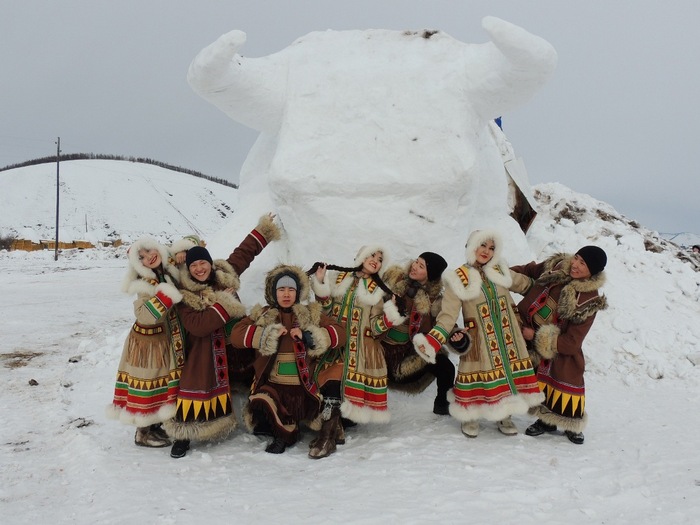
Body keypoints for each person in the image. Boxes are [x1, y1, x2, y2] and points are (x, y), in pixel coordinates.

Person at [164, 214, 281, 458]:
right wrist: (224, 304)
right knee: (193, 385)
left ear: (209, 263)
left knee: (262, 370)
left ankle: (262, 419)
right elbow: (198, 325)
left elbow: (243, 254)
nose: (199, 268)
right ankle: (184, 435)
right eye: (194, 265)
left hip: (238, 347)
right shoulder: (185, 294)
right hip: (207, 350)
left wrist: (263, 230)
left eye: (203, 263)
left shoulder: (223, 275)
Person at [414, 230, 543, 438]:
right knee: (476, 376)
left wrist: (555, 287)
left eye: (492, 248)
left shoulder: (500, 270)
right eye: (482, 245)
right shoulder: (458, 278)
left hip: (509, 339)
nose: (486, 251)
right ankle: (469, 415)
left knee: (508, 374)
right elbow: (447, 316)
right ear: (471, 246)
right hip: (480, 340)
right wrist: (433, 341)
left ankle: (505, 412)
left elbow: (529, 286)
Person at [230, 264, 346, 455]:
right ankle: (284, 432)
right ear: (273, 292)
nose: (286, 294)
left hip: (305, 388)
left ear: (298, 292)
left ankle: (324, 425)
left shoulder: (310, 313)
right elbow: (236, 335)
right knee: (263, 402)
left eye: (291, 289)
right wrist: (266, 334)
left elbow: (340, 333)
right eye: (281, 289)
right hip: (275, 387)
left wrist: (309, 336)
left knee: (334, 375)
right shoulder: (265, 314)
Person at [307, 245, 404, 458]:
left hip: (359, 349)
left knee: (335, 380)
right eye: (372, 255)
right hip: (334, 344)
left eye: (380, 259)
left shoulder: (378, 290)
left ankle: (327, 437)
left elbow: (374, 326)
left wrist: (390, 314)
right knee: (323, 381)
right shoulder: (341, 277)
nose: (375, 260)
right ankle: (335, 429)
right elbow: (327, 310)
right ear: (361, 256)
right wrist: (322, 283)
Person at [511, 245, 608, 445]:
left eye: (583, 264)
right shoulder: (557, 266)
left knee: (564, 378)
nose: (576, 265)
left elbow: (572, 342)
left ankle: (572, 424)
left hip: (560, 346)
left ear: (593, 272)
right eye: (577, 258)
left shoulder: (588, 300)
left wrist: (536, 336)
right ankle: (546, 421)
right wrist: (502, 274)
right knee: (538, 380)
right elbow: (529, 270)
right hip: (528, 336)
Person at [106, 235, 195, 447]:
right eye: (142, 257)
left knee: (164, 382)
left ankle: (157, 424)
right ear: (140, 265)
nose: (149, 256)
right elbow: (145, 316)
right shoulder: (143, 284)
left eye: (149, 250)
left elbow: (194, 240)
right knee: (148, 382)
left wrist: (185, 250)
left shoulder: (168, 266)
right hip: (148, 343)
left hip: (166, 339)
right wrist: (166, 295)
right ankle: (143, 432)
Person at [381, 252, 456, 415]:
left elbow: (445, 321)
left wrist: (457, 336)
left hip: (407, 352)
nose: (414, 266)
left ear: (430, 275)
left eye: (421, 266)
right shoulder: (394, 280)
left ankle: (443, 405)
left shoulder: (434, 300)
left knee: (447, 367)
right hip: (381, 347)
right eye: (416, 261)